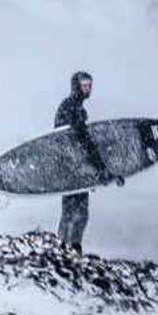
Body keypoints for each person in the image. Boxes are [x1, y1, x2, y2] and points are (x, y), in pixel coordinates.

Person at [54, 71, 122, 254]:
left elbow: (85, 143)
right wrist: (100, 169)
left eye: (90, 84)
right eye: (84, 84)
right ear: (76, 86)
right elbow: (78, 141)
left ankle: (74, 248)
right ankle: (61, 247)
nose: (88, 88)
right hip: (71, 170)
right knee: (70, 211)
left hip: (81, 170)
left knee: (81, 213)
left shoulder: (79, 109)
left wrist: (105, 171)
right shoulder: (68, 108)